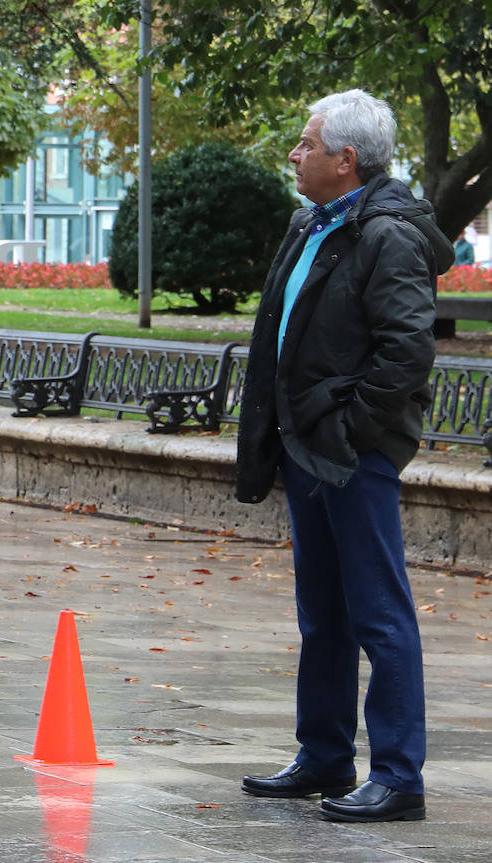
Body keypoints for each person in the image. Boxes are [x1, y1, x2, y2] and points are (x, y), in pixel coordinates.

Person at [235, 90, 453, 822]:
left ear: (344, 160)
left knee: (379, 615)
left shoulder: (385, 235)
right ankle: (325, 755)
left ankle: (399, 777)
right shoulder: (312, 223)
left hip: (353, 451)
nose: (294, 154)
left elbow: (407, 350)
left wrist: (354, 429)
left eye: (305, 144)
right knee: (322, 613)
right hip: (308, 447)